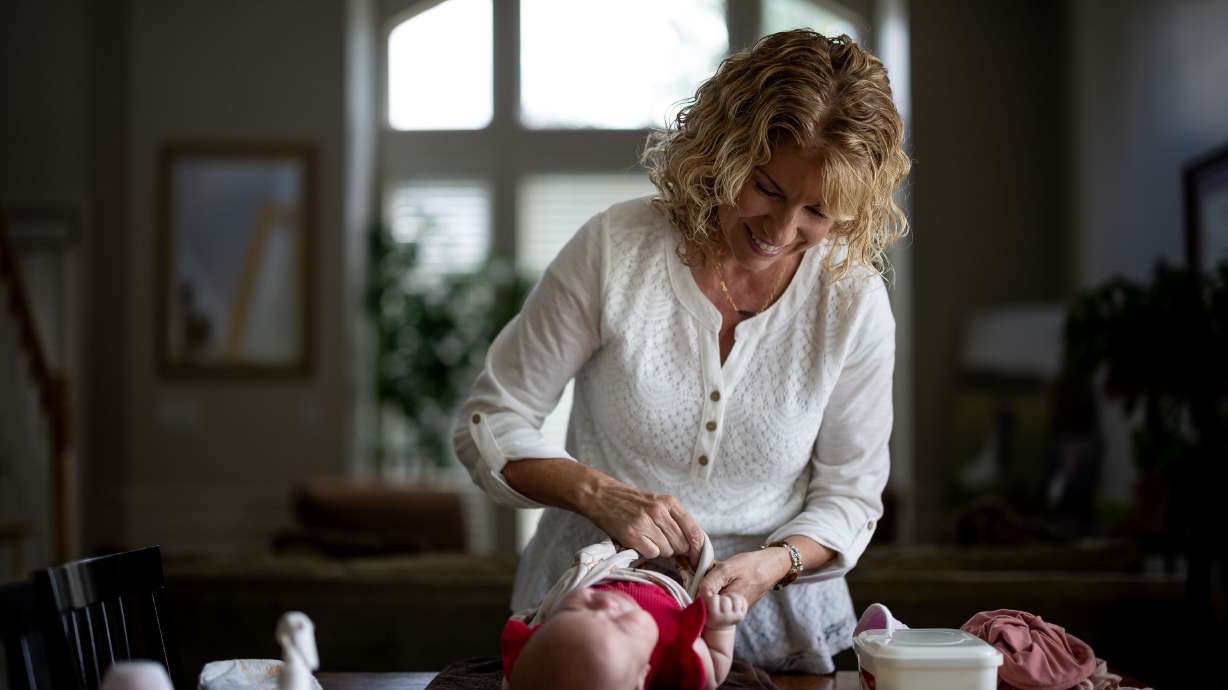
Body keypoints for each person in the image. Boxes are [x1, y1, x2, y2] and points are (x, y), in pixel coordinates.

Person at [454, 28, 910, 674]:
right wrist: (597, 493)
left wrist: (775, 564)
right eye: (768, 188)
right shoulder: (616, 250)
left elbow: (852, 497)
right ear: (723, 151)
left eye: (818, 210)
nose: (781, 232)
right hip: (595, 632)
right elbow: (487, 423)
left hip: (781, 638)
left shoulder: (853, 301)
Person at [499, 538, 747, 690]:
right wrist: (721, 626)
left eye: (580, 609)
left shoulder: (536, 653)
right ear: (642, 676)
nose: (607, 606)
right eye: (620, 624)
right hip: (677, 584)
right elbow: (715, 670)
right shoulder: (674, 660)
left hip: (605, 568)